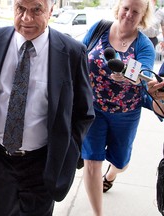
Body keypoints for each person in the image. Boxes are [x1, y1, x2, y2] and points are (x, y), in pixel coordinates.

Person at [0, 0, 95, 214]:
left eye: (36, 10)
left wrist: (70, 149)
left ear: (51, 11)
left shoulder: (72, 52)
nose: (26, 18)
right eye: (20, 9)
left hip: (42, 162)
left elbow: (84, 111)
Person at [81, 0, 155, 215]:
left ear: (142, 16)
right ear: (118, 8)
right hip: (92, 109)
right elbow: (78, 54)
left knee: (121, 162)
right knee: (92, 162)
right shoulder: (99, 28)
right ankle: (98, 213)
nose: (129, 14)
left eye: (135, 11)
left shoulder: (144, 45)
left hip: (126, 113)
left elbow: (145, 75)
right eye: (126, 8)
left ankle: (112, 174)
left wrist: (128, 78)